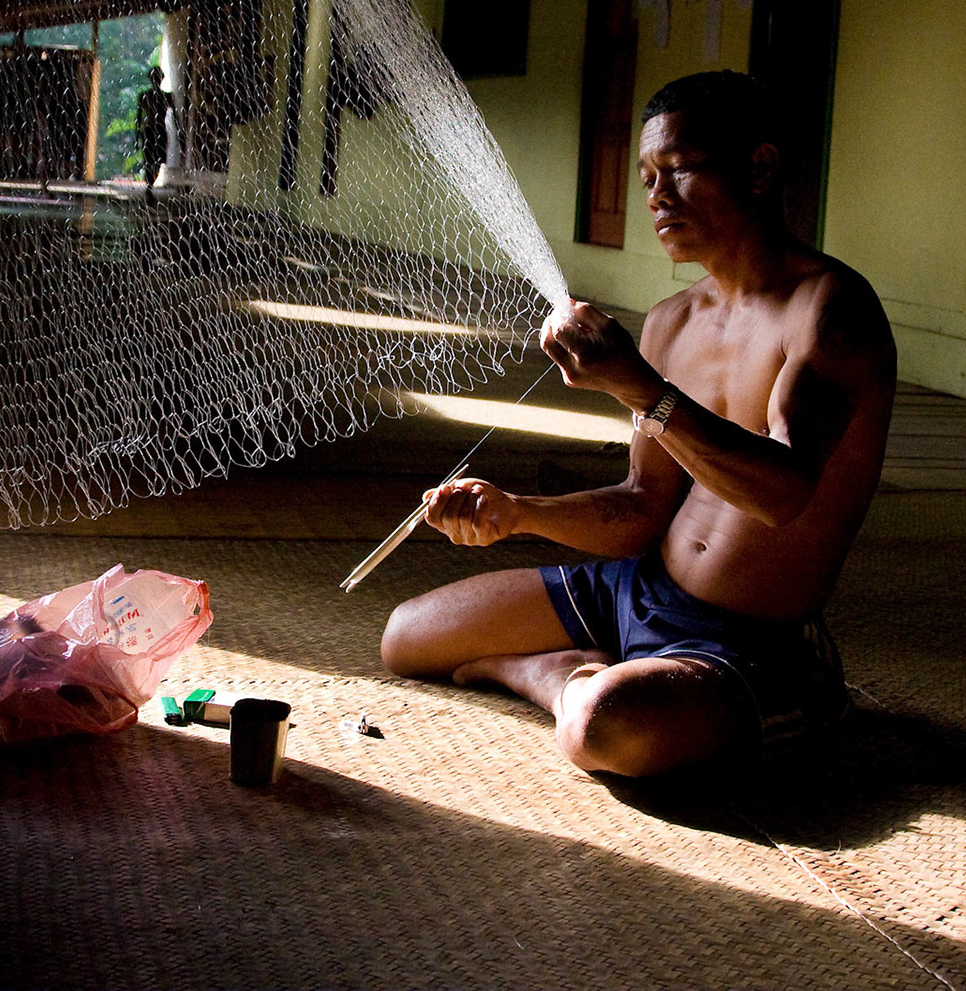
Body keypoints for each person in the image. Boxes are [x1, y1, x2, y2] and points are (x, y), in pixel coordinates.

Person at [381, 71, 896, 778]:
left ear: (760, 168)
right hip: (635, 589)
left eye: (679, 171)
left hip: (745, 640)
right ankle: (584, 669)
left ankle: (549, 677)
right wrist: (517, 512)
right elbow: (644, 507)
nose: (656, 196)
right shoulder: (671, 322)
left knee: (606, 730)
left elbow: (784, 493)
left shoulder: (832, 312)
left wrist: (638, 387)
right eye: (647, 176)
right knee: (405, 638)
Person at [136, 64, 173, 193]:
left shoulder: (166, 97)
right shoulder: (145, 96)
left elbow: (176, 115)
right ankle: (149, 185)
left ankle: (150, 183)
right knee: (149, 160)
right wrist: (137, 136)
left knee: (159, 160)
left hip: (158, 131)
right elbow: (139, 118)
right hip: (151, 130)